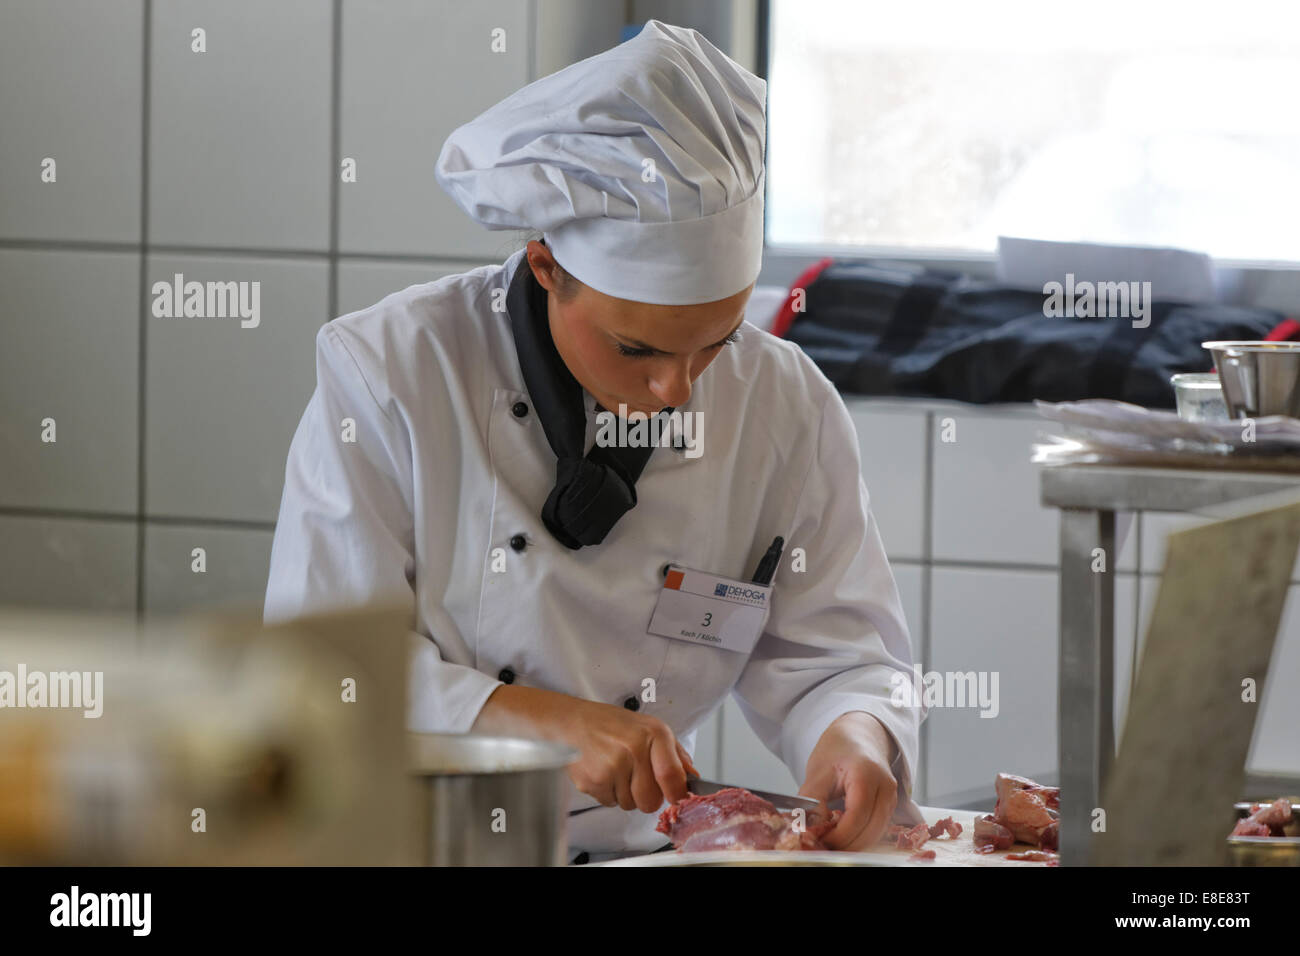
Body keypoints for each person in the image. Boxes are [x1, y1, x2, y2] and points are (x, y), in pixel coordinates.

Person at [264, 19, 922, 858]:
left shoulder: (787, 403)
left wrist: (852, 734)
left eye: (714, 343)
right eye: (636, 348)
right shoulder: (394, 371)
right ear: (546, 267)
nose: (674, 389)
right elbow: (323, 671)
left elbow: (840, 653)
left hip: (636, 853)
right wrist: (546, 726)